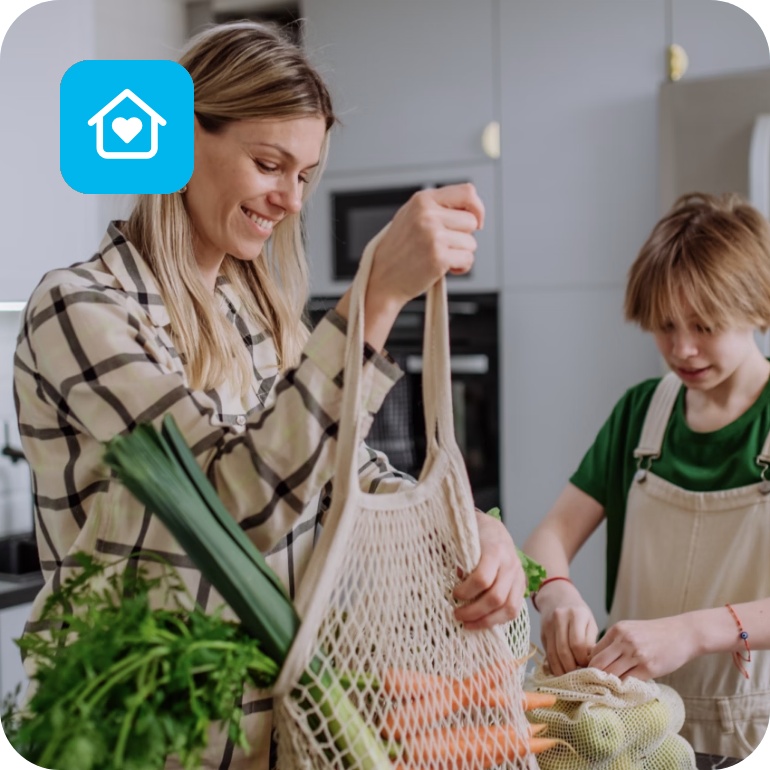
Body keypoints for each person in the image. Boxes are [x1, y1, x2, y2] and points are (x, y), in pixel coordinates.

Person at [13, 21, 524, 770]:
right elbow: (225, 507)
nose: (290, 198)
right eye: (268, 164)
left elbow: (339, 475)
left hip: (270, 729)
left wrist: (472, 531)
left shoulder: (260, 313)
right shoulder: (80, 308)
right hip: (139, 734)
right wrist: (375, 297)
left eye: (305, 175)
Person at [522, 191, 770, 759]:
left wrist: (693, 632)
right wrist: (556, 593)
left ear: (759, 309)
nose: (682, 349)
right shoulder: (642, 412)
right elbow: (550, 534)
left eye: (705, 325)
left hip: (752, 732)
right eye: (664, 325)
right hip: (630, 732)